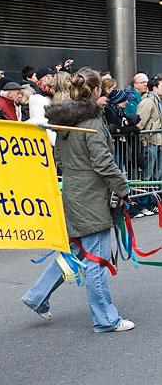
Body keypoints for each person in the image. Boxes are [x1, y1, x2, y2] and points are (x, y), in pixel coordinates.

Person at [21, 68, 135, 333]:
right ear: (96, 91)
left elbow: (59, 158)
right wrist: (122, 188)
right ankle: (106, 319)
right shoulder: (92, 121)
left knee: (75, 251)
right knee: (95, 259)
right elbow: (103, 162)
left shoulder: (65, 119)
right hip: (91, 196)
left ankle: (37, 295)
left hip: (74, 191)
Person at [134, 77, 162, 217]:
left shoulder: (157, 101)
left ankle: (153, 202)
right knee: (147, 176)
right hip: (150, 141)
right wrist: (143, 139)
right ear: (155, 88)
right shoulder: (147, 102)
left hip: (157, 141)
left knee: (156, 175)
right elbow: (141, 123)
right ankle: (143, 204)